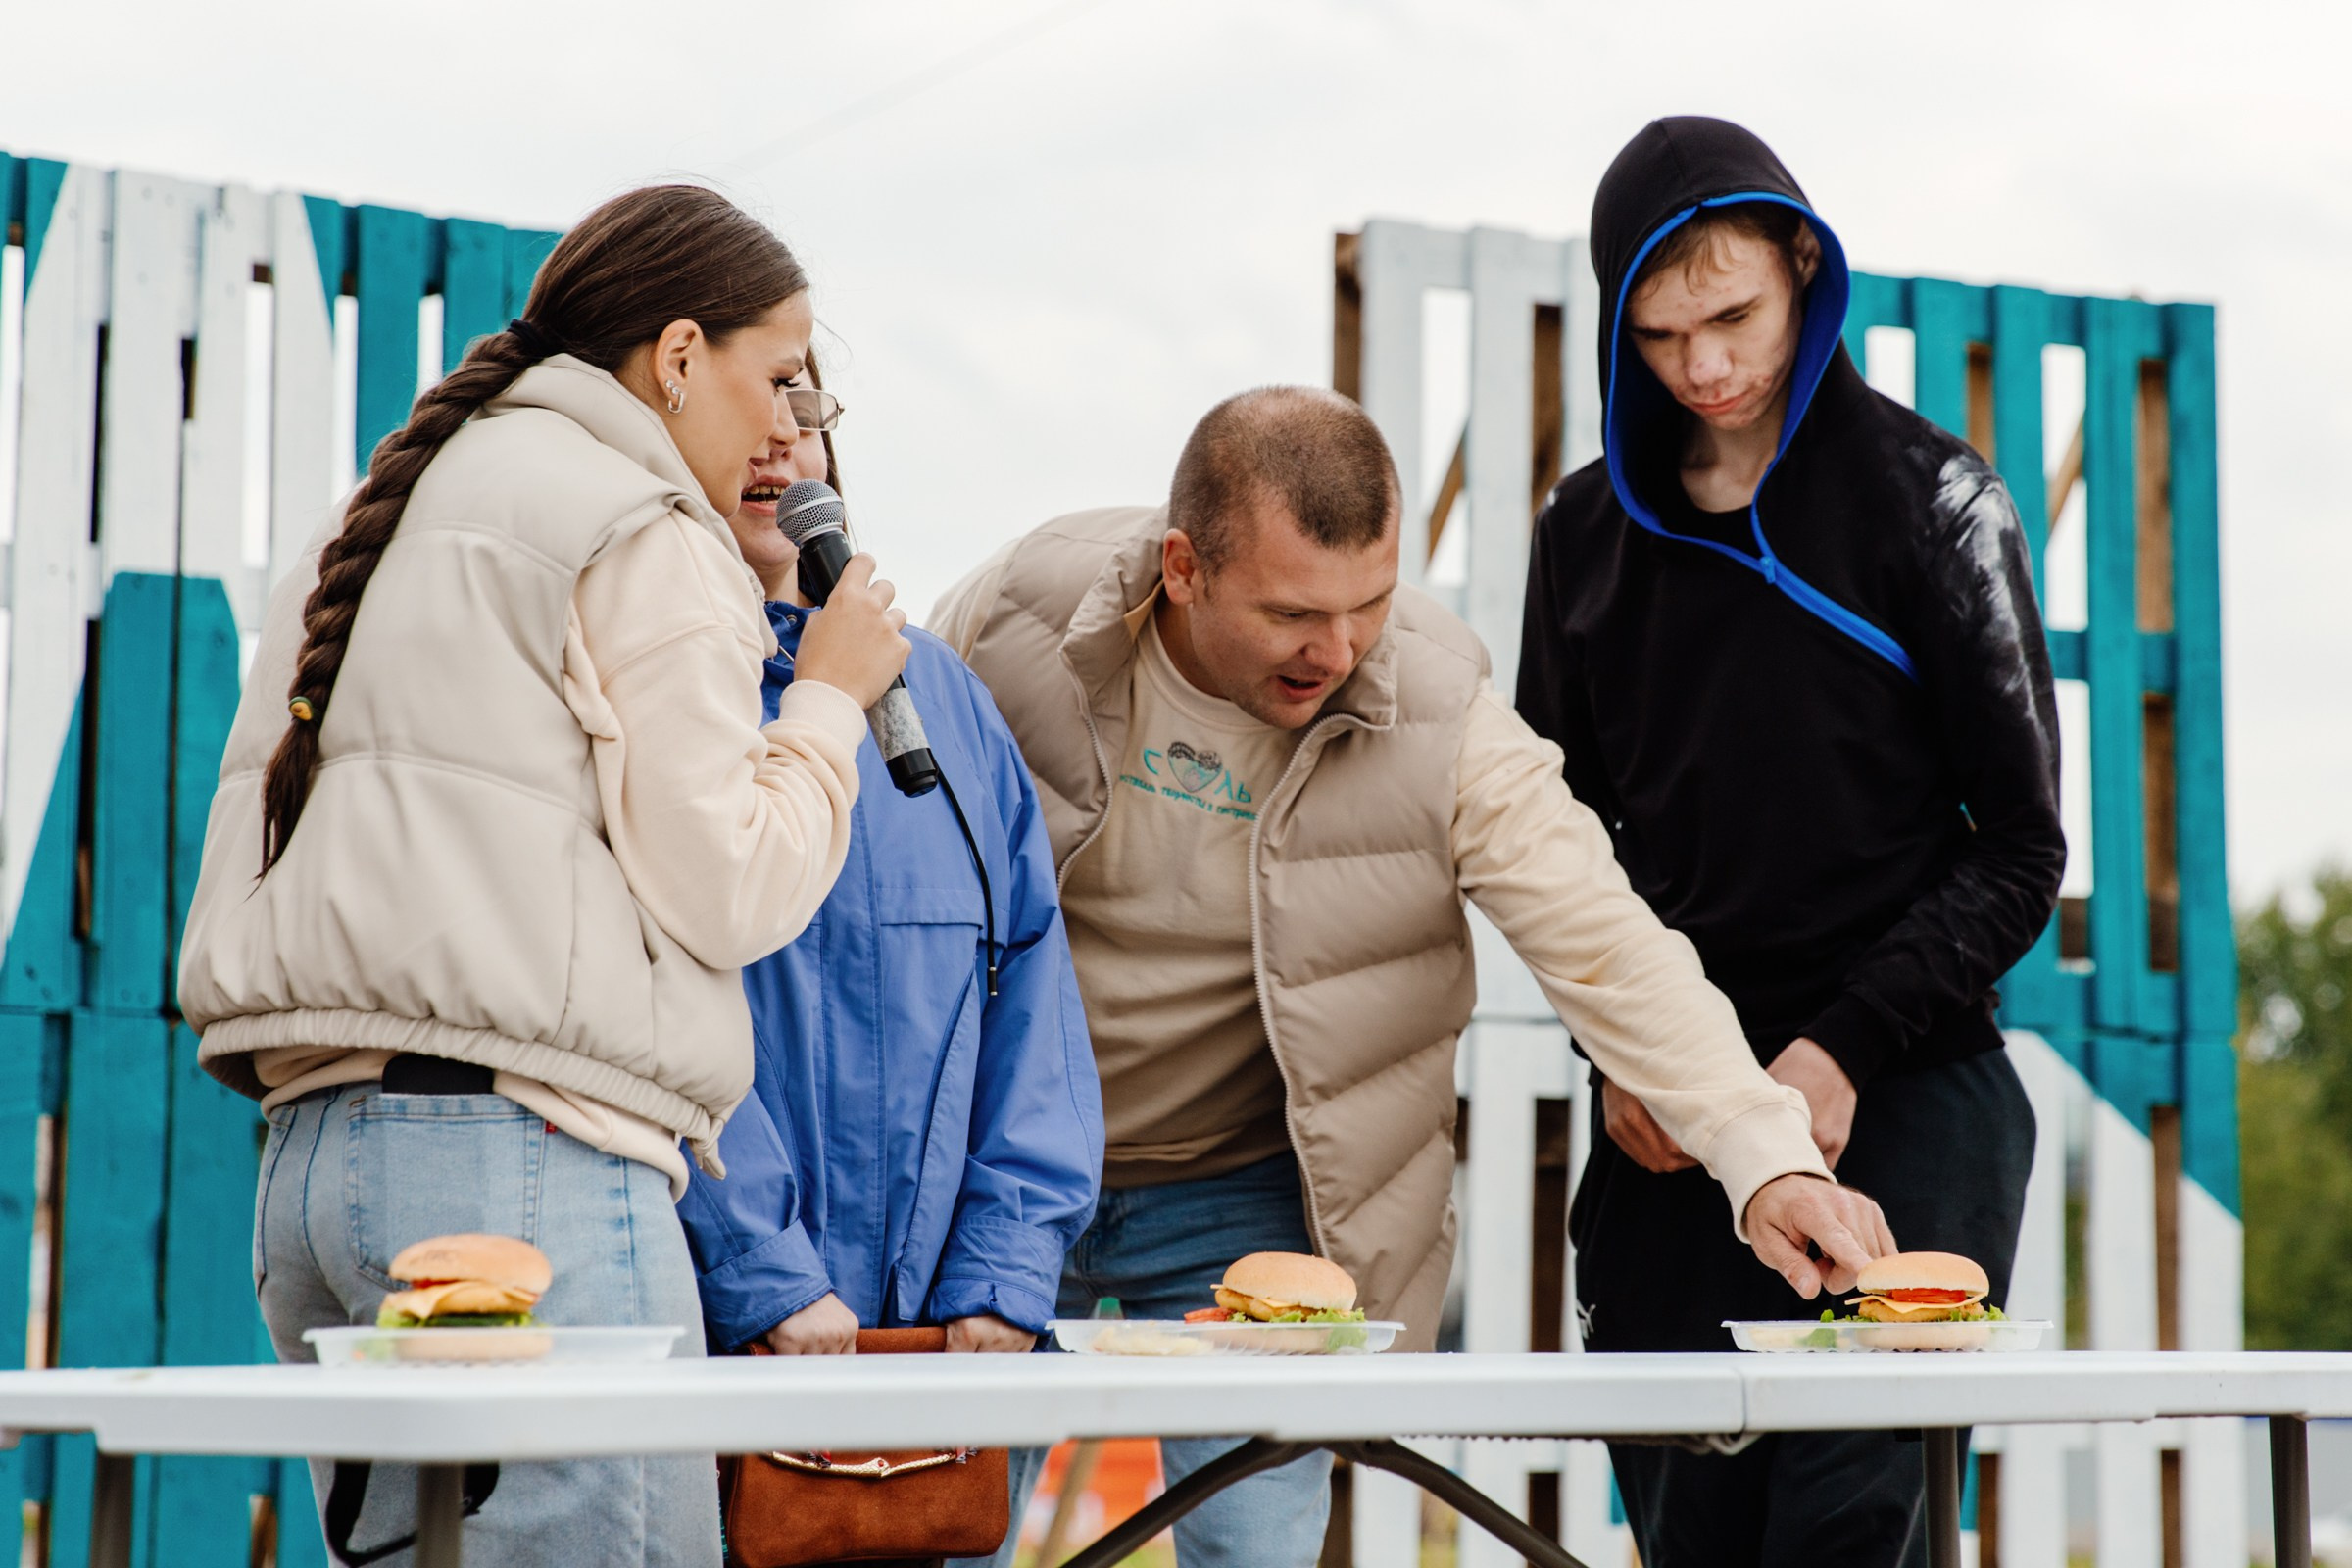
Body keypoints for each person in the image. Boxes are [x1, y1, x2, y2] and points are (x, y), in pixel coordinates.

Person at [932, 385, 1896, 1568]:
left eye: (1370, 605)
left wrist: (1768, 1156)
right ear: (1183, 568)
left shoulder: (1441, 713)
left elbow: (1606, 939)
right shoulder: (1018, 612)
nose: (1338, 653)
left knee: (1253, 1553)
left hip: (1244, 1190)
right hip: (1003, 1168)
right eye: (1293, 613)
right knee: (938, 1537)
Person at [176, 185, 910, 1568]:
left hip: (315, 1167)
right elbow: (731, 887)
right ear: (679, 357)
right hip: (520, 1170)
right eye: (779, 378)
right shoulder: (642, 523)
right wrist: (826, 701)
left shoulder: (381, 511)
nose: (789, 425)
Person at [1515, 117, 2064, 1567]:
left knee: (1853, 1529)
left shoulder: (1937, 503)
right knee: (1690, 1528)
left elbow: (2021, 850)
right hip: (1670, 1118)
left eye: (1733, 318)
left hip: (1910, 1090)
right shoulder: (1581, 536)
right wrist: (1625, 1060)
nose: (1704, 367)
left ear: (1805, 268)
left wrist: (1841, 1048)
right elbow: (1549, 848)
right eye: (1659, 335)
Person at [678, 368, 1102, 1563]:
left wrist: (1004, 1270)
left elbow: (1031, 994)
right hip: (718, 1340)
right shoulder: (661, 686)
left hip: (935, 1372)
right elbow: (643, 999)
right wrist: (763, 1273)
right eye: (751, 405)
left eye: (805, 410)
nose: (781, 445)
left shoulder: (946, 702)